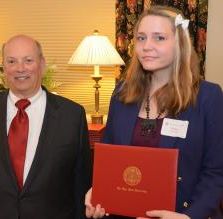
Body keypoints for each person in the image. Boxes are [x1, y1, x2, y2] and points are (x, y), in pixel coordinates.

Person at [85, 5, 223, 219]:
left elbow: (216, 171)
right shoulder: (121, 93)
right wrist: (99, 191)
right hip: (124, 212)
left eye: (159, 38)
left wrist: (189, 217)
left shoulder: (208, 97)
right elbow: (109, 160)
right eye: (141, 38)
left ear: (180, 43)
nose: (146, 46)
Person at [0, 34, 92, 219]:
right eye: (11, 61)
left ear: (42, 64)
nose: (20, 68)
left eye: (28, 60)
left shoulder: (72, 115)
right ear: (4, 67)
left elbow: (81, 186)